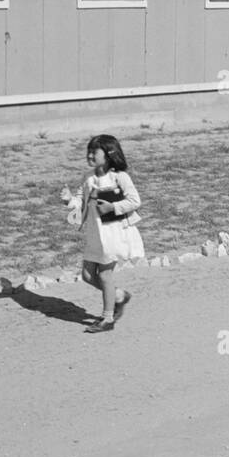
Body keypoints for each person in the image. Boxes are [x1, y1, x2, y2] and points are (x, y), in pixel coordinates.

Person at [67, 134, 143, 333]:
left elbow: (135, 201)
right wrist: (69, 201)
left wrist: (113, 207)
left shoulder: (120, 177)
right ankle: (119, 296)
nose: (90, 155)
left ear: (109, 155)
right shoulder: (88, 177)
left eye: (95, 152)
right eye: (89, 151)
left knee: (105, 274)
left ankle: (107, 318)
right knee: (86, 275)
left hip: (114, 233)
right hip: (95, 234)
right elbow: (79, 198)